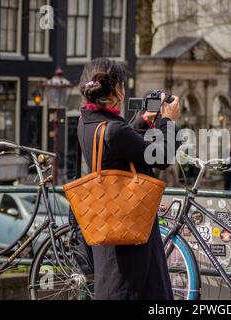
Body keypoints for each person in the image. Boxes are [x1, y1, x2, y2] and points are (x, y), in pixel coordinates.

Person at [76, 58, 180, 300]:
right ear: (117, 90)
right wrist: (168, 121)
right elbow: (161, 157)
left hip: (107, 223)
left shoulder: (87, 121)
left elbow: (121, 143)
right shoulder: (114, 130)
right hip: (131, 229)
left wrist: (143, 120)